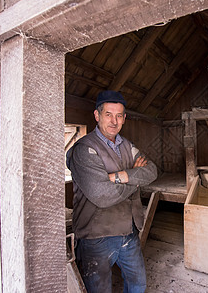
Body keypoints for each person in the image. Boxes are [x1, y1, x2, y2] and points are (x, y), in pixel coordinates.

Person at [66, 90, 157, 293]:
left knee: (137, 285)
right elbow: (103, 195)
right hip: (97, 236)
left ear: (124, 118)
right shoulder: (84, 150)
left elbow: (151, 171)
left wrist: (119, 177)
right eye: (108, 114)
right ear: (97, 116)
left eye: (118, 115)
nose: (114, 121)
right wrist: (135, 179)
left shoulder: (127, 145)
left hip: (129, 232)